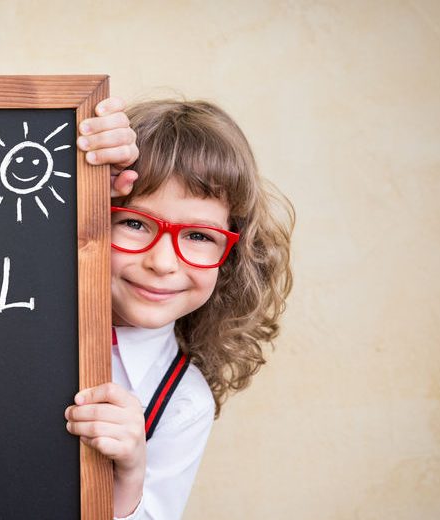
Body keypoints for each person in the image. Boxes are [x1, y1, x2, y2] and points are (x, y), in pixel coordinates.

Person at [71, 98, 294, 519]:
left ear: (233, 253)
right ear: (95, 218)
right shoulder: (22, 308)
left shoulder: (182, 403)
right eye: (135, 223)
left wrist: (128, 480)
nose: (162, 262)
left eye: (198, 235)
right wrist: (75, 167)